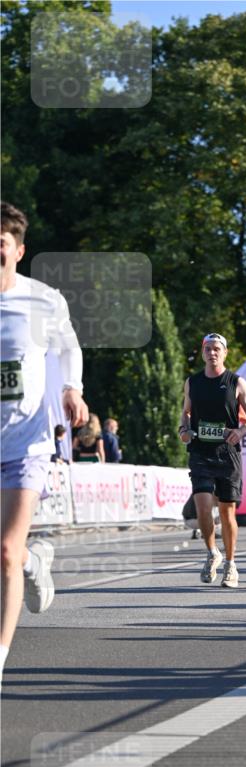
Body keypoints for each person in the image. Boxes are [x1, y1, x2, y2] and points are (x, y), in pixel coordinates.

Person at [1, 201, 89, 672]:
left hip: (26, 445)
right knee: (12, 556)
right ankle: (35, 564)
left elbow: (68, 347)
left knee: (4, 550)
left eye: (0, 245)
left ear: (18, 250)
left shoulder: (41, 300)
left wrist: (72, 389)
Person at [179, 332, 246, 588]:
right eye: (207, 349)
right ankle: (213, 552)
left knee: (227, 511)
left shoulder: (236, 382)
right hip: (201, 451)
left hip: (228, 454)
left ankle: (231, 564)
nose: (212, 353)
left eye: (216, 349)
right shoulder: (192, 382)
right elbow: (186, 414)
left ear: (225, 352)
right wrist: (183, 430)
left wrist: (242, 430)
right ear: (202, 353)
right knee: (202, 505)